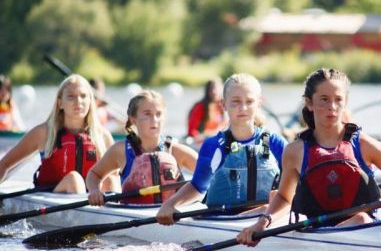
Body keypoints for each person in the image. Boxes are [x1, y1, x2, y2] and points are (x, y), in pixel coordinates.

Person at [237, 68, 381, 246]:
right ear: (309, 103)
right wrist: (262, 224)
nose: (332, 106)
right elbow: (283, 198)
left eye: (338, 99)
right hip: (318, 236)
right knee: (360, 220)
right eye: (324, 99)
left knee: (361, 218)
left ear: (345, 103)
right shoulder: (294, 151)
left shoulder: (364, 145)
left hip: (367, 231)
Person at [156, 73, 288, 225]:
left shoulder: (276, 143)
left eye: (249, 102)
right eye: (235, 102)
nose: (243, 108)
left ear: (259, 104)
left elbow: (294, 185)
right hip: (222, 220)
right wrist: (170, 204)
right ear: (223, 104)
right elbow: (198, 186)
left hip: (266, 219)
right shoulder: (213, 145)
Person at [0, 74, 116, 193]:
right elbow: (5, 164)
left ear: (90, 101)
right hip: (52, 196)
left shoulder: (103, 136)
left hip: (91, 201)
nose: (78, 102)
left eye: (83, 96)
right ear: (60, 103)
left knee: (111, 179)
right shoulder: (43, 132)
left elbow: (117, 177)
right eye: (71, 97)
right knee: (74, 179)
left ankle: (113, 211)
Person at [87, 89, 198, 205]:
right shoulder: (120, 150)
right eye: (147, 114)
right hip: (133, 216)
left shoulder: (176, 150)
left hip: (171, 217)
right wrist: (94, 190)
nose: (154, 120)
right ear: (133, 119)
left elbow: (209, 174)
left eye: (158, 114)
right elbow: (94, 174)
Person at [187, 77, 227, 143]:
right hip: (201, 141)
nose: (214, 91)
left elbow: (225, 126)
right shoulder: (200, 107)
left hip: (217, 138)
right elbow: (191, 131)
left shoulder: (223, 106)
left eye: (217, 88)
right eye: (212, 89)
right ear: (207, 91)